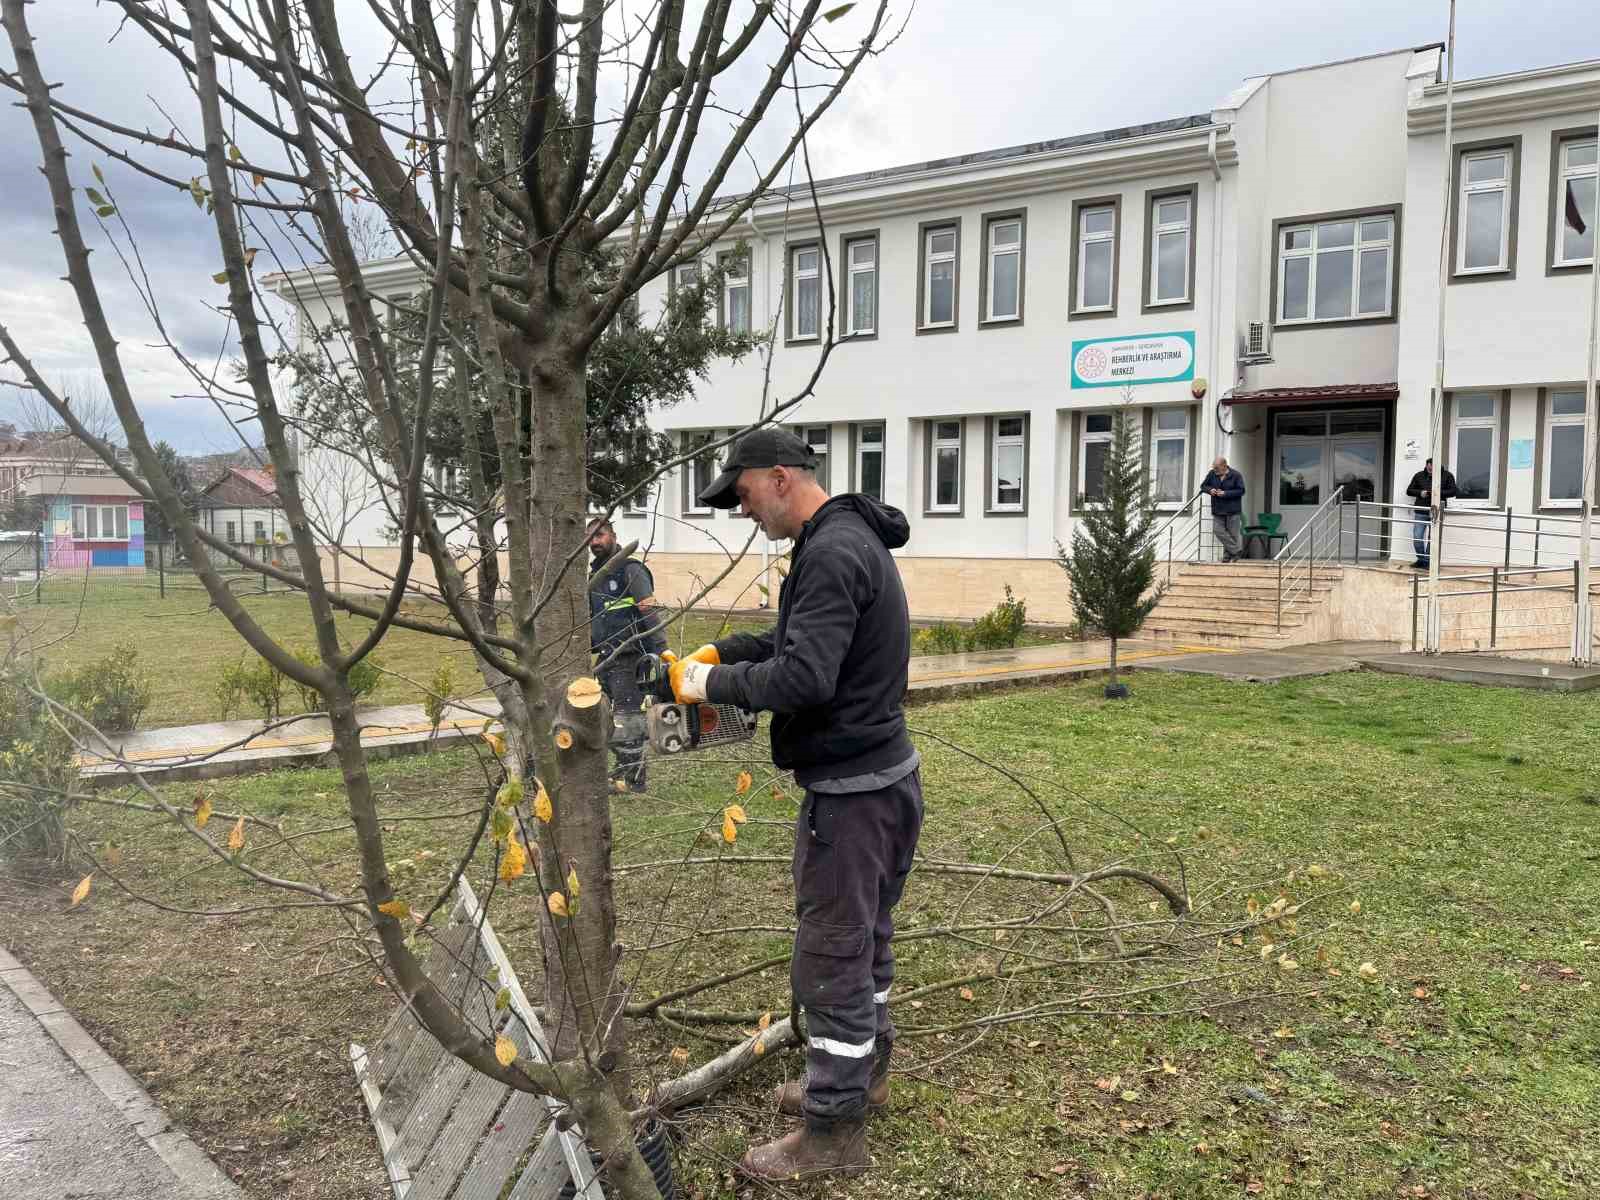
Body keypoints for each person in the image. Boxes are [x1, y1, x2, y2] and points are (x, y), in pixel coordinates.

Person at [667, 427, 922, 1182]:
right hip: (885, 784)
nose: (741, 511)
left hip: (852, 802)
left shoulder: (834, 549)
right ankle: (863, 1074)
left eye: (742, 495)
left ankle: (834, 1133)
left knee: (834, 961)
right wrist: (734, 651)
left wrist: (705, 686)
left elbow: (807, 676)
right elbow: (804, 638)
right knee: (866, 945)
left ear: (779, 477)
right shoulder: (842, 539)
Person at [586, 516, 665, 792]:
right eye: (591, 537)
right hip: (606, 658)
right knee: (606, 717)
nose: (595, 542)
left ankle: (633, 780)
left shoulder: (630, 570)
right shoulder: (594, 578)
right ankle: (622, 771)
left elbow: (649, 611)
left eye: (601, 535)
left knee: (628, 718)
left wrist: (662, 650)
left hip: (630, 656)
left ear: (613, 536)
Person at [1405, 457, 1458, 571]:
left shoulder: (1447, 476)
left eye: (1432, 468)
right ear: (1426, 465)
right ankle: (1422, 560)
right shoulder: (1419, 475)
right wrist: (1420, 493)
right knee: (1417, 537)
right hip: (1421, 511)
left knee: (1432, 538)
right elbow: (1409, 490)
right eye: (1428, 467)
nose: (1430, 470)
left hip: (1436, 511)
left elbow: (1453, 491)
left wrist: (1437, 493)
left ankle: (1427, 562)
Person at [1200, 456, 1247, 561]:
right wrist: (1210, 490)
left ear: (1224, 465)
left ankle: (1228, 556)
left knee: (1232, 534)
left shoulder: (1236, 475)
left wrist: (1226, 493)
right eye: (1214, 467)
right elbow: (1203, 486)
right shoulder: (1212, 474)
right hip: (1218, 509)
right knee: (1218, 530)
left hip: (1233, 509)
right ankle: (1236, 551)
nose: (1214, 469)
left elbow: (1241, 491)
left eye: (1217, 467)